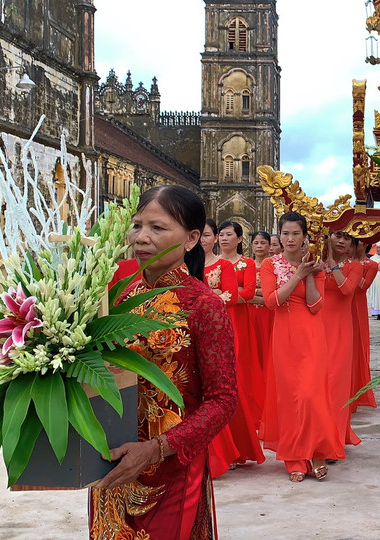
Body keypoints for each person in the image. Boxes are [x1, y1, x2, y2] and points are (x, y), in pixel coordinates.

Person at [89, 185, 237, 539]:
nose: (142, 237)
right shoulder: (119, 298)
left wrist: (155, 450)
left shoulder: (204, 306)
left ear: (191, 239)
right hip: (111, 463)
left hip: (171, 467)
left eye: (157, 228)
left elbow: (223, 400)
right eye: (137, 225)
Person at [259, 211, 345, 482]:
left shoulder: (314, 265)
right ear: (279, 235)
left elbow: (316, 305)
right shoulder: (270, 265)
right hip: (284, 336)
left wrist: (308, 274)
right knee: (291, 398)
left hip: (312, 335)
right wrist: (297, 275)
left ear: (305, 236)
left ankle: (316, 452)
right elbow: (272, 302)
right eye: (285, 233)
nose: (290, 238)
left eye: (296, 233)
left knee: (311, 395)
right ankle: (295, 457)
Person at [214, 220, 266, 467]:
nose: (224, 239)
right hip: (216, 318)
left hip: (238, 320)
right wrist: (231, 293)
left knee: (241, 367)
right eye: (221, 234)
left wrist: (219, 294)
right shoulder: (211, 262)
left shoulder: (247, 264)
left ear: (238, 239)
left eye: (229, 235)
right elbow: (239, 292)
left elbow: (247, 293)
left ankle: (249, 415)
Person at [200, 218, 242, 477]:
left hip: (219, 330)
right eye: (199, 235)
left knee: (220, 390)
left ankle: (224, 452)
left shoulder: (223, 265)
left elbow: (231, 296)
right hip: (194, 331)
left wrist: (200, 298)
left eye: (207, 235)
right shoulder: (185, 264)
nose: (202, 240)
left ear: (214, 238)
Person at [320, 231, 364, 447]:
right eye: (338, 236)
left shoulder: (355, 266)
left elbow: (347, 289)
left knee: (336, 384)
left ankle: (334, 440)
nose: (341, 241)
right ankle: (317, 438)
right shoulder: (314, 263)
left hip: (340, 331)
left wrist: (332, 265)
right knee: (316, 385)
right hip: (316, 327)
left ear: (352, 245)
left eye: (347, 238)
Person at [350, 241, 378, 413]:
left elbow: (363, 286)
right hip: (342, 303)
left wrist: (351, 270)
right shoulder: (343, 262)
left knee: (357, 346)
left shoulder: (372, 265)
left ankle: (356, 391)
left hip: (357, 305)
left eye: (358, 243)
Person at [248, 231, 274, 372]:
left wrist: (252, 292)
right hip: (249, 314)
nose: (259, 246)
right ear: (252, 246)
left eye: (263, 243)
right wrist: (262, 293)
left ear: (269, 246)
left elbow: (275, 293)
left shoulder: (275, 266)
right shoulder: (245, 265)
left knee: (267, 345)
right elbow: (240, 292)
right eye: (256, 243)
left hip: (269, 314)